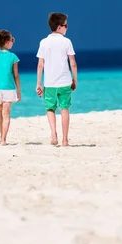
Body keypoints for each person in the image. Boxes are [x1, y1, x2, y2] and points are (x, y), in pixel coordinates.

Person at [36, 12, 77, 147]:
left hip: (50, 83)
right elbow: (73, 63)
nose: (67, 28)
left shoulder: (43, 42)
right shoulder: (66, 42)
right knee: (64, 109)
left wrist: (39, 83)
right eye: (66, 25)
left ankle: (53, 134)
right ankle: (65, 140)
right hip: (65, 82)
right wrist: (74, 80)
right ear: (59, 27)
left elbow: (40, 64)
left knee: (50, 109)